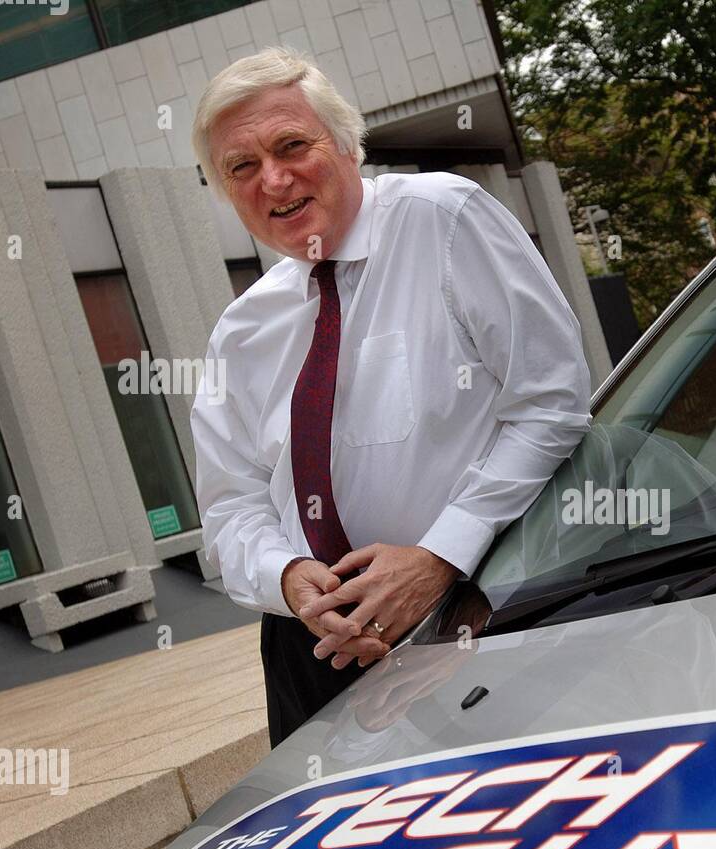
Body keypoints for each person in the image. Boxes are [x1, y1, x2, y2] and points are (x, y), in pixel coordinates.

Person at [188, 47, 592, 747]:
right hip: (311, 656)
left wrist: (440, 556)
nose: (273, 180)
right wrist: (287, 579)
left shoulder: (445, 218)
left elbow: (552, 402)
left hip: (479, 614)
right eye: (241, 167)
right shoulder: (241, 331)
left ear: (347, 144)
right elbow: (230, 507)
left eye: (291, 146)